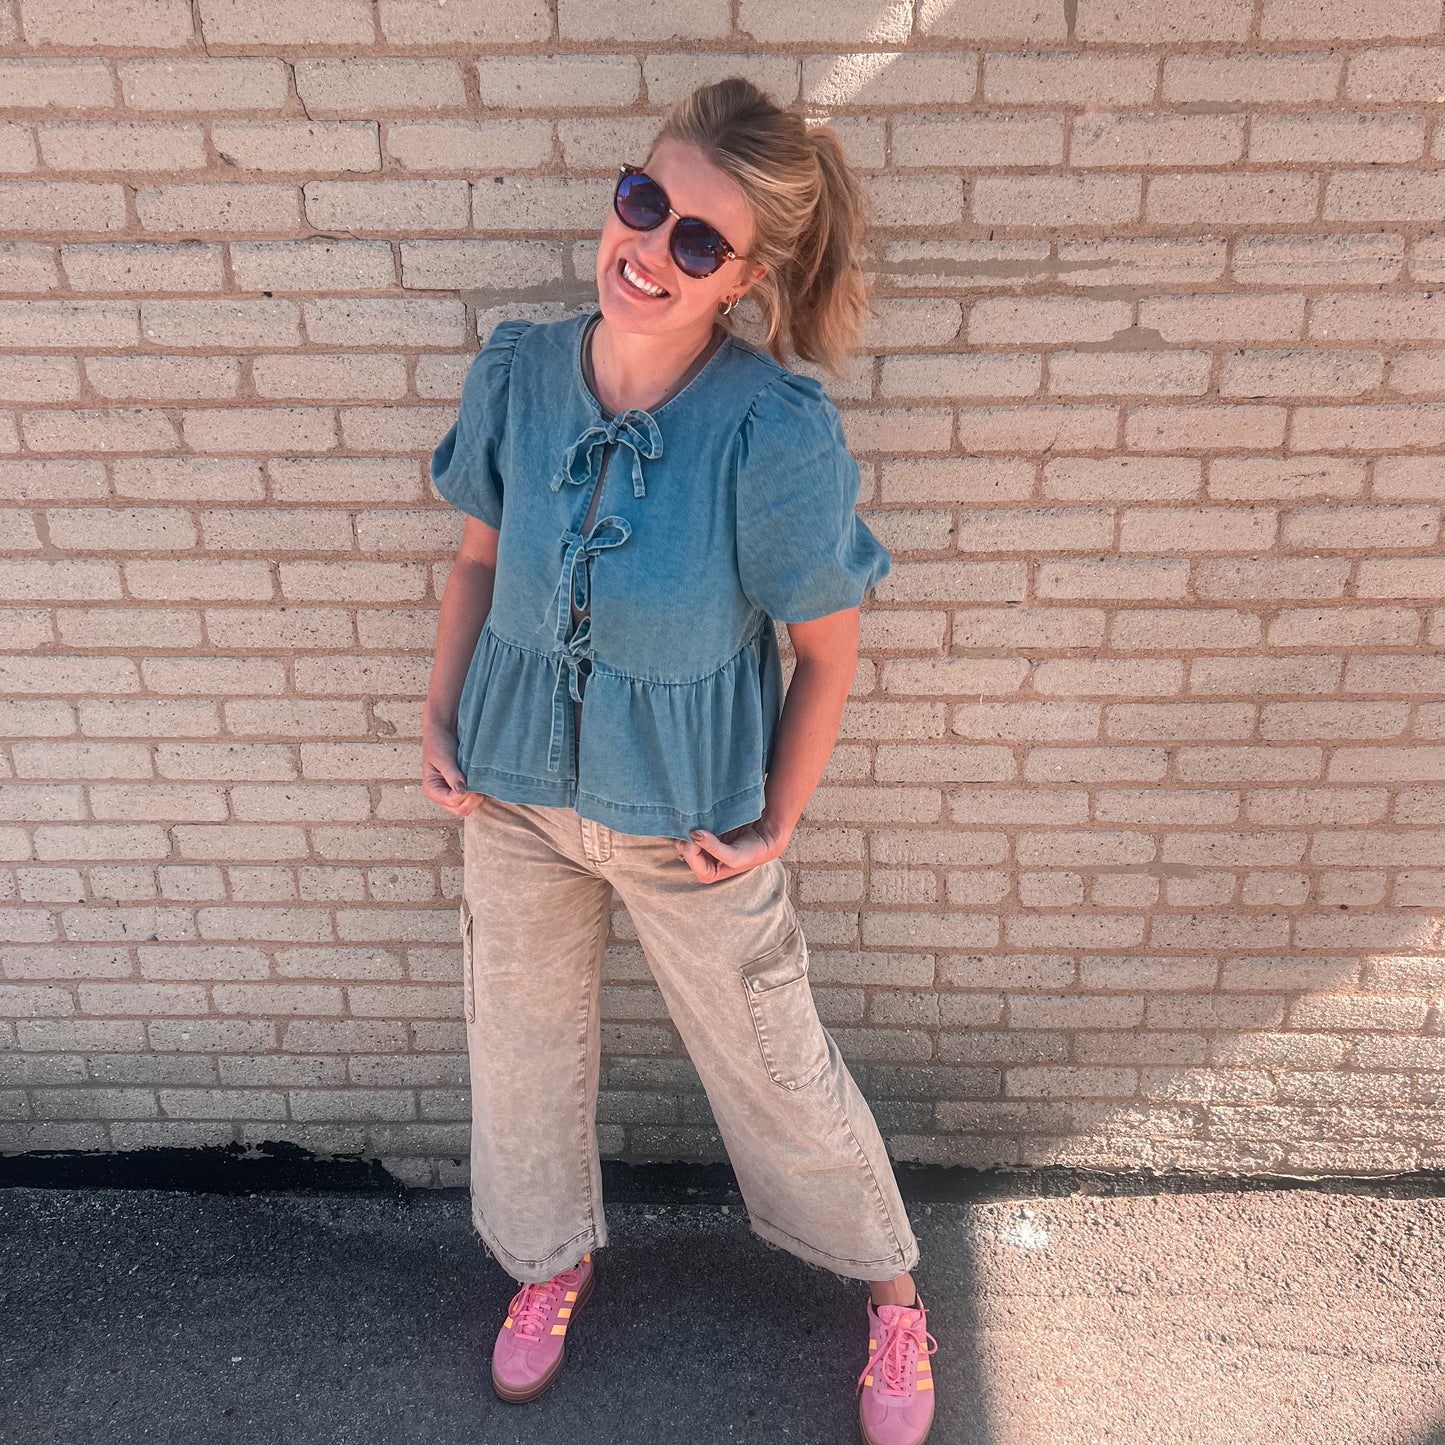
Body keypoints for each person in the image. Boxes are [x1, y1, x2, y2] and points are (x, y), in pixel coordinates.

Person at [422, 77, 939, 1445]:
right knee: (520, 1053)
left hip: (690, 820)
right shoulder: (521, 371)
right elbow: (475, 560)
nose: (649, 250)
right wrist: (441, 715)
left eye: (697, 241)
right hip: (515, 792)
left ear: (745, 279)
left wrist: (778, 818)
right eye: (643, 203)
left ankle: (892, 1292)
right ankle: (548, 1264)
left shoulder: (769, 430)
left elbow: (825, 649)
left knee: (775, 1061)